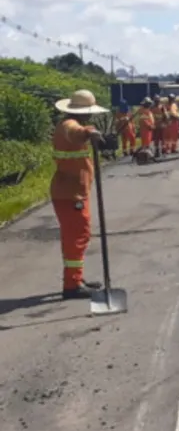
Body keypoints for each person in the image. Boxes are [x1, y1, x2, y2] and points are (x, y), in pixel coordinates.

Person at [51, 90, 109, 299]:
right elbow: (75, 133)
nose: (90, 116)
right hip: (70, 193)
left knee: (78, 236)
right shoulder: (70, 126)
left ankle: (76, 278)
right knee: (77, 237)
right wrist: (88, 133)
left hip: (74, 190)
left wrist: (91, 133)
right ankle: (72, 285)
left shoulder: (76, 125)